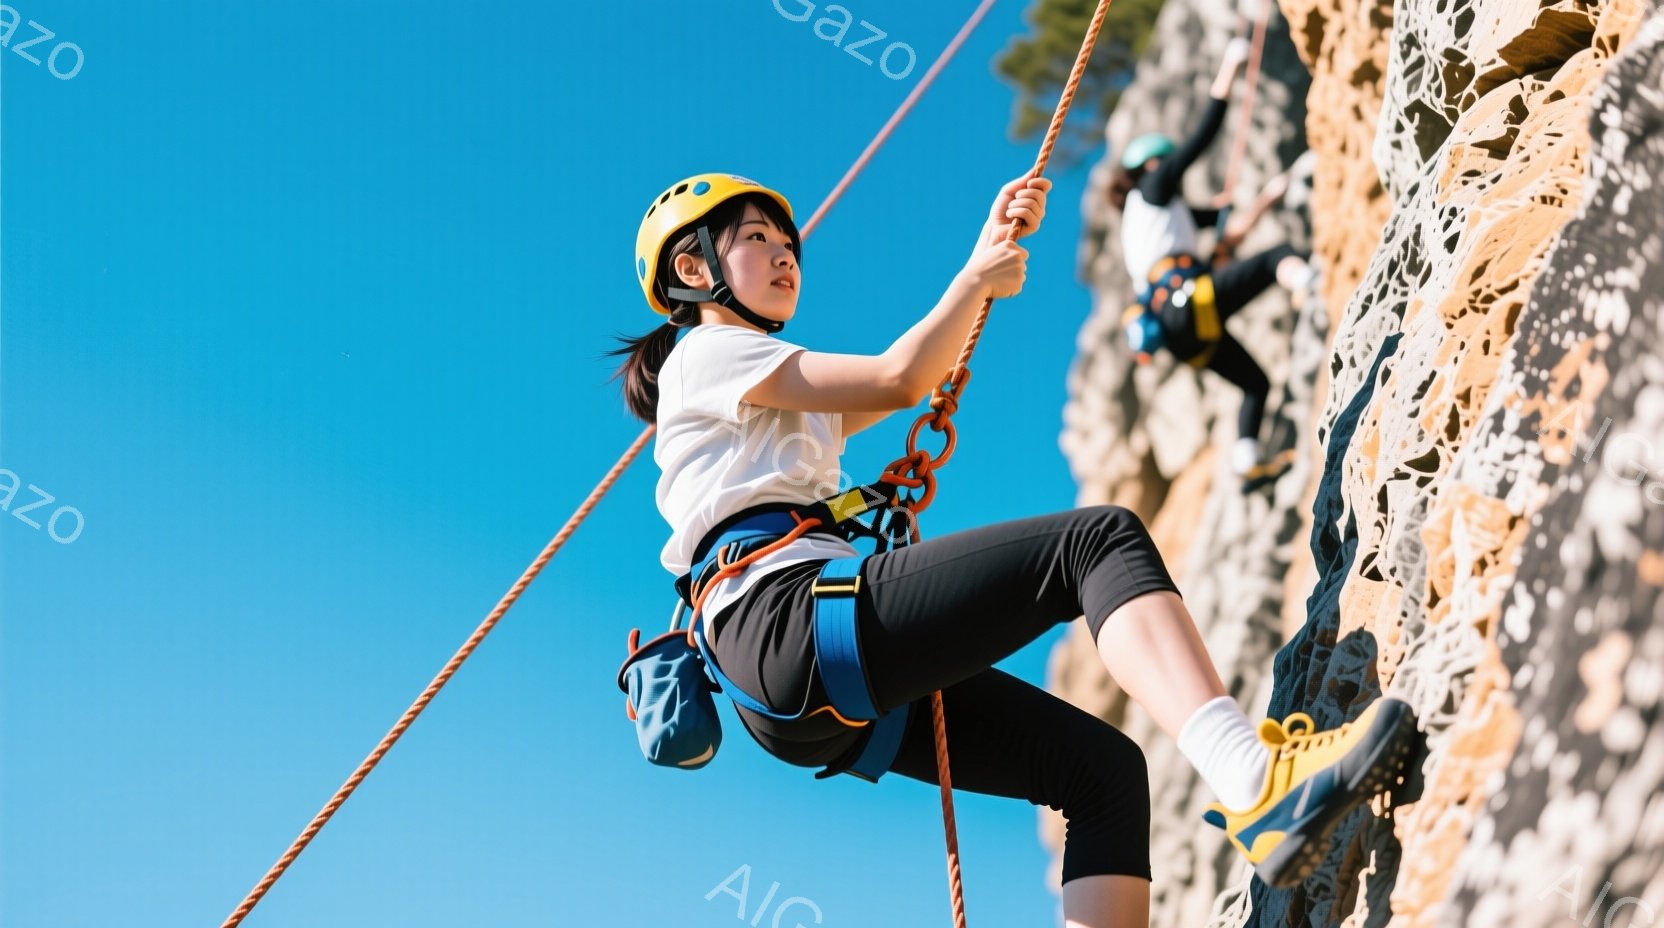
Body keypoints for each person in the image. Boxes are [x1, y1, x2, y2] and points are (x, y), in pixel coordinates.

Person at [612, 172, 1417, 927]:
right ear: (694, 267)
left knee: (1101, 775)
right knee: (1097, 541)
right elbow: (898, 378)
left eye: (790, 244)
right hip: (788, 625)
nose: (786, 255)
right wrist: (977, 278)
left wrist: (982, 253)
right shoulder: (709, 353)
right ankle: (1256, 780)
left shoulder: (756, 399)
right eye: (759, 239)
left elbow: (909, 383)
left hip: (792, 680)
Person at [1109, 38, 1315, 482]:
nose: (1171, 171)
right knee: (1280, 257)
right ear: (1152, 166)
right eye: (1164, 164)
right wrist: (1229, 69)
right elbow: (1200, 140)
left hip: (1182, 331)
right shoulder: (1152, 191)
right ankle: (1307, 287)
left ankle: (1245, 463)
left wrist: (1264, 198)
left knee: (1255, 384)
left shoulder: (1157, 218)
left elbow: (1228, 232)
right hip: (1186, 301)